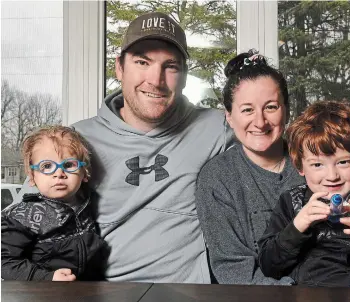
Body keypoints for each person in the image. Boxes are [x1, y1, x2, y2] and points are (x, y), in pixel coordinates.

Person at [17, 12, 232, 283]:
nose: (156, 79)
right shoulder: (76, 141)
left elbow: (281, 156)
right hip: (99, 291)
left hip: (189, 291)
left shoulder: (216, 128)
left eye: (171, 66)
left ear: (185, 76)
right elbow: (23, 222)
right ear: (119, 67)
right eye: (142, 62)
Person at [195, 50, 350, 285]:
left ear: (287, 110)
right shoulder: (217, 179)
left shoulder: (323, 160)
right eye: (247, 109)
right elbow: (233, 268)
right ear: (229, 116)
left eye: (270, 107)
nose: (260, 122)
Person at [258, 101, 350, 287]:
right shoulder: (291, 202)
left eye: (343, 162)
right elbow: (268, 266)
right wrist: (297, 227)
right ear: (300, 166)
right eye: (317, 164)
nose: (332, 176)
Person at [2, 126, 105, 281]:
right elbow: (4, 263)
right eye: (47, 166)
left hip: (88, 292)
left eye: (69, 165)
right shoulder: (23, 216)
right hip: (43, 293)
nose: (59, 173)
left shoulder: (91, 203)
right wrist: (47, 278)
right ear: (32, 176)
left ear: (85, 172)